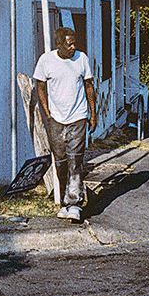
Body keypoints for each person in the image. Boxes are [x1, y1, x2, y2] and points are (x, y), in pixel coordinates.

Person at [34, 26, 97, 222]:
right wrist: (47, 113)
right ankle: (63, 201)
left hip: (78, 117)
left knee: (75, 159)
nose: (73, 47)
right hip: (56, 119)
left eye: (74, 43)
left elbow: (89, 87)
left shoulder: (82, 59)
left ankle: (75, 203)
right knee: (60, 161)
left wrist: (93, 115)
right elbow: (40, 86)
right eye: (69, 44)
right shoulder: (46, 60)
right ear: (59, 45)